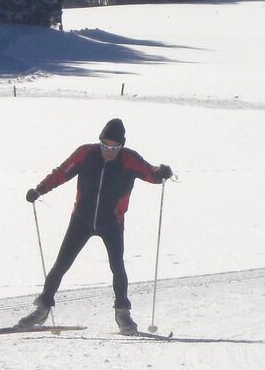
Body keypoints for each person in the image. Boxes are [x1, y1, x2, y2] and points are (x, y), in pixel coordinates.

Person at [17, 118, 172, 334]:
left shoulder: (129, 159)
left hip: (112, 222)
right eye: (105, 145)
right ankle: (43, 308)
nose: (109, 151)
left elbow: (150, 173)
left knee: (117, 267)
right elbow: (62, 172)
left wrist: (161, 173)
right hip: (82, 219)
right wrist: (40, 190)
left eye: (114, 147)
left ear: (121, 146)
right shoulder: (86, 154)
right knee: (61, 264)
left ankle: (122, 314)